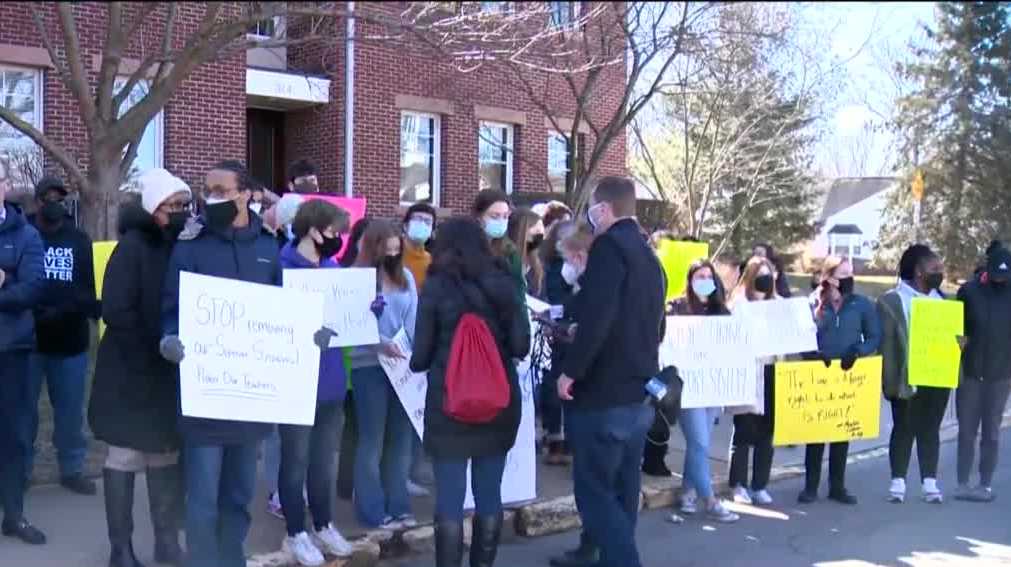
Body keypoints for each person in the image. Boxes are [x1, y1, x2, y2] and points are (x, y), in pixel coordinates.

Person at [159, 160, 282, 567]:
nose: (211, 197)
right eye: (207, 189)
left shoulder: (268, 247)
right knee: (203, 498)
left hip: (251, 401)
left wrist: (307, 338)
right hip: (205, 396)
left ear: (247, 194)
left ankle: (233, 559)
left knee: (239, 494)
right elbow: (172, 308)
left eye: (221, 190)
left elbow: (283, 313)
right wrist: (170, 337)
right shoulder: (190, 246)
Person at [409, 216, 530, 567]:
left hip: (449, 403)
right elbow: (521, 345)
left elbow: (420, 357)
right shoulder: (505, 281)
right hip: (498, 400)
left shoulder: (435, 287)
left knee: (449, 496)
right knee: (489, 494)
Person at [556, 177, 665, 567]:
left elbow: (599, 318)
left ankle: (621, 560)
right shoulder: (649, 257)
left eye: (593, 209)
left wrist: (571, 371)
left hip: (604, 392)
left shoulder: (608, 249)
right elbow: (656, 324)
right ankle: (598, 555)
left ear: (604, 210)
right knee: (624, 485)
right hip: (639, 390)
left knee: (594, 490)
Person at [89, 168, 192, 567]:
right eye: (172, 206)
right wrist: (154, 345)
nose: (180, 213)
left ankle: (166, 543)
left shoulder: (177, 247)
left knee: (164, 456)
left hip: (166, 372)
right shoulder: (130, 248)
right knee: (125, 458)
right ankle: (121, 549)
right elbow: (116, 310)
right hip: (130, 372)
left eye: (184, 205)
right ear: (153, 209)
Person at [278, 200, 354, 565]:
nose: (338, 238)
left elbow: (346, 317)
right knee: (295, 461)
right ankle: (296, 532)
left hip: (331, 381)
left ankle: (323, 524)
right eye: (334, 231)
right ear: (312, 229)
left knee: (323, 462)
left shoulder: (333, 267)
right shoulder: (283, 267)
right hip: (296, 381)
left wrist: (367, 311)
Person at [25, 176, 99, 495]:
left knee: (69, 414)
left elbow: (87, 289)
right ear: (37, 201)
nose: (53, 204)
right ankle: (21, 470)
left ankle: (72, 468)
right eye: (47, 198)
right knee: (23, 412)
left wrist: (66, 309)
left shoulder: (79, 240)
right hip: (28, 341)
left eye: (59, 199)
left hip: (70, 342)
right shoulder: (24, 233)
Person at [350, 220, 418, 529]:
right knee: (372, 441)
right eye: (386, 250)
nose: (391, 255)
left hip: (403, 366)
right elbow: (349, 324)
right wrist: (379, 344)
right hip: (369, 366)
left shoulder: (405, 277)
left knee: (401, 440)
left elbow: (414, 318)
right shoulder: (355, 278)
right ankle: (372, 509)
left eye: (396, 250)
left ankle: (399, 504)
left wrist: (411, 351)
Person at [799, 256, 881, 505]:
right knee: (815, 433)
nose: (849, 278)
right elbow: (801, 335)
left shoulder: (862, 304)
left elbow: (875, 336)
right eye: (843, 273)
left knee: (841, 433)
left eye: (850, 272)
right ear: (829, 277)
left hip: (847, 374)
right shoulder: (812, 303)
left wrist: (858, 351)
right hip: (818, 374)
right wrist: (812, 353)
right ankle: (810, 486)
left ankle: (837, 486)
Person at [668, 261, 740, 523]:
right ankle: (710, 500)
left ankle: (687, 492)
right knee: (699, 443)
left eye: (709, 276)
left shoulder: (721, 311)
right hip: (688, 387)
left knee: (700, 444)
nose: (705, 280)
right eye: (700, 276)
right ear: (690, 280)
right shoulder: (677, 308)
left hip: (712, 386)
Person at [878, 244, 949, 505]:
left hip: (936, 375)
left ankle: (929, 482)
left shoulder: (941, 300)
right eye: (934, 269)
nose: (939, 273)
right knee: (904, 427)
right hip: (906, 377)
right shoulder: (893, 301)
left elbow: (949, 338)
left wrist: (959, 344)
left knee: (930, 428)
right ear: (919, 271)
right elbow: (886, 343)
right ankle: (898, 482)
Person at [0, 162, 46, 545]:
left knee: (14, 437)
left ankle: (14, 515)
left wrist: (7, 283)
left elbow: (32, 290)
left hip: (12, 352)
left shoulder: (27, 235)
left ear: (5, 186)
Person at [954, 245, 1011, 502]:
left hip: (1001, 376)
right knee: (966, 430)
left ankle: (985, 484)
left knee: (991, 431)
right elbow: (957, 327)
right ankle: (962, 482)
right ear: (987, 271)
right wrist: (959, 343)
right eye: (997, 276)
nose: (1002, 280)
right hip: (971, 373)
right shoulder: (968, 291)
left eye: (1006, 277)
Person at [727, 257, 780, 507]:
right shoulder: (739, 305)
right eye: (760, 274)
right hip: (747, 373)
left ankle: (760, 485)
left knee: (767, 433)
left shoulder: (779, 305)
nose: (765, 279)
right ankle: (738, 484)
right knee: (744, 432)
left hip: (772, 372)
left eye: (769, 274)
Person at [401, 203, 437, 497]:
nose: (422, 225)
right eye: (418, 219)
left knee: (416, 411)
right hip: (397, 340)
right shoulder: (394, 254)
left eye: (428, 221)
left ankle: (411, 471)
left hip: (423, 338)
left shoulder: (431, 261)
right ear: (406, 223)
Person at [336, 217, 372, 502]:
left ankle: (361, 482)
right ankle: (346, 484)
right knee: (352, 427)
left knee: (363, 428)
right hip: (347, 361)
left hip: (376, 362)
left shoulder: (387, 273)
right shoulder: (342, 274)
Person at [472, 190, 524, 302]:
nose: (501, 221)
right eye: (494, 216)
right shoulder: (463, 248)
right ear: (479, 217)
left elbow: (518, 292)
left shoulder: (510, 251)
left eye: (505, 216)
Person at [507, 207, 546, 298]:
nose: (541, 237)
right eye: (536, 231)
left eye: (542, 233)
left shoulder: (538, 265)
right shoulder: (506, 261)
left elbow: (542, 296)